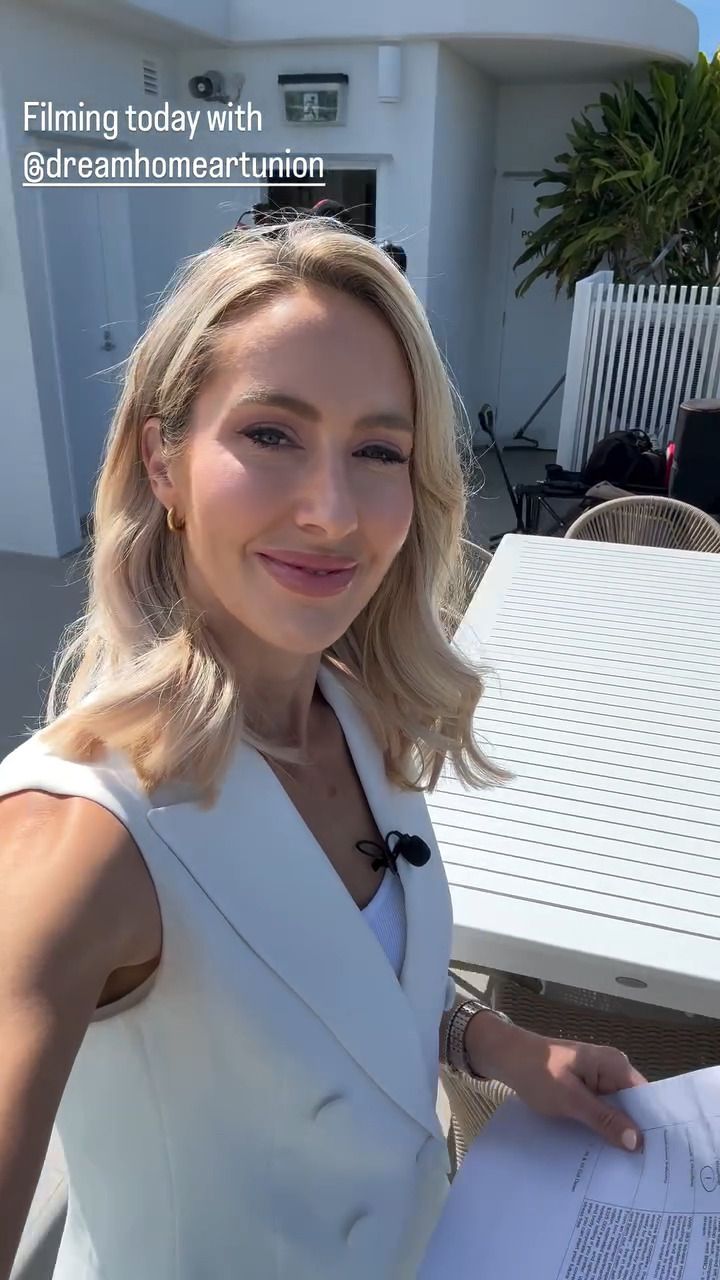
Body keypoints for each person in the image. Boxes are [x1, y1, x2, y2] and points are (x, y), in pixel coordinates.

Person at [0, 220, 646, 1280]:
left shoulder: (354, 709)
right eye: (270, 434)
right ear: (162, 460)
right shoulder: (74, 837)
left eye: (378, 451)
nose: (334, 513)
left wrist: (496, 1044)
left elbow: (339, 981)